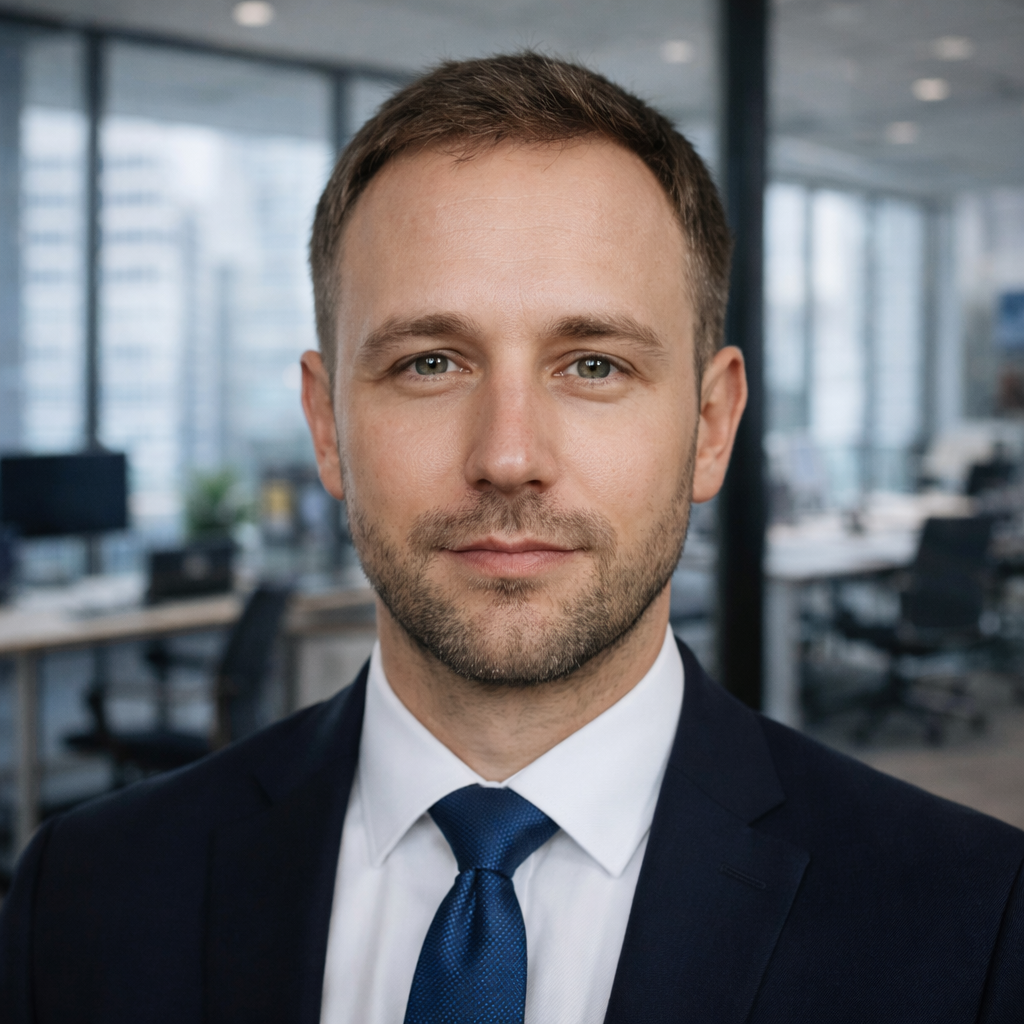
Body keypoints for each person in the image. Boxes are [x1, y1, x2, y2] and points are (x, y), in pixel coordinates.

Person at [1, 52, 1022, 1024]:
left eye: (592, 366)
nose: (507, 456)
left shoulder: (971, 920)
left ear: (710, 427)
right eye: (430, 363)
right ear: (326, 426)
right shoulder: (85, 892)